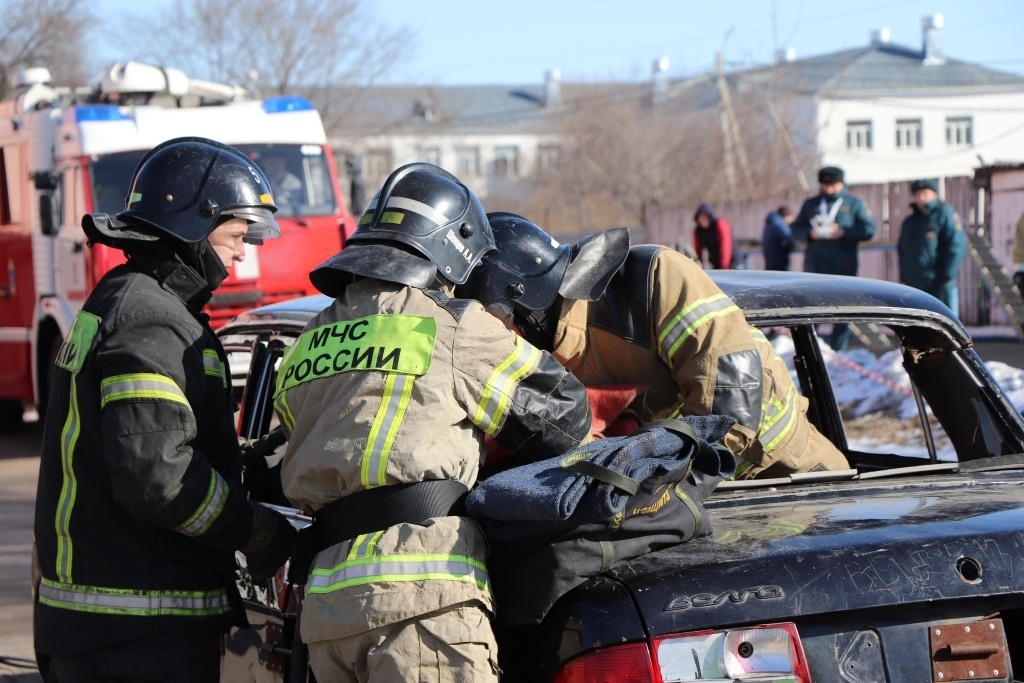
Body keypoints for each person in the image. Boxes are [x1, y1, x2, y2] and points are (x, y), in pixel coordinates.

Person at [274, 164, 591, 682]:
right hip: (423, 598)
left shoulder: (311, 339)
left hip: (328, 612)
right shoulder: (452, 324)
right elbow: (564, 414)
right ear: (455, 249)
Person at [34, 137, 297, 682]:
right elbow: (159, 479)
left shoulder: (126, 298)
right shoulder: (150, 318)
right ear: (193, 224)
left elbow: (131, 446)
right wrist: (255, 531)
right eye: (236, 235)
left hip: (108, 632)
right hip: (138, 637)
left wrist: (234, 455)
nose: (242, 253)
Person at [458, 213, 849, 480]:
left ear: (524, 306)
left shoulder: (653, 281)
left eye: (492, 325)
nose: (492, 343)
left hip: (792, 474)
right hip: (700, 508)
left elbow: (730, 392)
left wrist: (656, 491)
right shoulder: (536, 364)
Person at [791, 166, 877, 350]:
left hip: (842, 265)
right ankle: (813, 349)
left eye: (833, 185)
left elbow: (869, 229)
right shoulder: (811, 204)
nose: (829, 189)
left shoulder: (854, 203)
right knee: (812, 307)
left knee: (841, 308)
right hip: (816, 264)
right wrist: (809, 233)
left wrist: (844, 232)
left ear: (842, 183)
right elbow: (796, 229)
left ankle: (840, 350)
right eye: (825, 185)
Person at [897, 179, 967, 314]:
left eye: (925, 193)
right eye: (917, 194)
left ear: (934, 194)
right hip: (915, 284)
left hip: (938, 282)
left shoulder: (945, 215)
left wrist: (945, 275)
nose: (921, 198)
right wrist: (905, 276)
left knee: (946, 324)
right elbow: (902, 250)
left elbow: (956, 247)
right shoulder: (910, 222)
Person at [693, 202, 735, 269]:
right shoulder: (698, 231)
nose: (702, 221)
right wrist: (699, 267)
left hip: (733, 264)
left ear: (709, 217)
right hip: (716, 265)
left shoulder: (720, 225)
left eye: (704, 217)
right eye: (700, 218)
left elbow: (726, 246)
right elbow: (698, 251)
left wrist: (724, 267)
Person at [762, 205, 794, 271]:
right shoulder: (778, 224)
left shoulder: (772, 222)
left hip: (771, 261)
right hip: (778, 262)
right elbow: (790, 237)